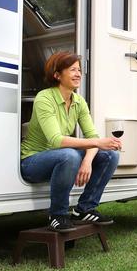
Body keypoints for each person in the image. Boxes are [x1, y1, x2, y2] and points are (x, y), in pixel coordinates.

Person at [21, 51, 121, 232]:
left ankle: (85, 209)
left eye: (79, 70)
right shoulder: (44, 98)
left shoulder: (79, 101)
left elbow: (92, 136)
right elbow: (56, 140)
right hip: (32, 162)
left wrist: (87, 161)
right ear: (57, 75)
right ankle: (57, 215)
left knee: (110, 155)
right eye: (72, 69)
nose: (78, 74)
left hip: (62, 157)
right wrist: (96, 144)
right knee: (70, 155)